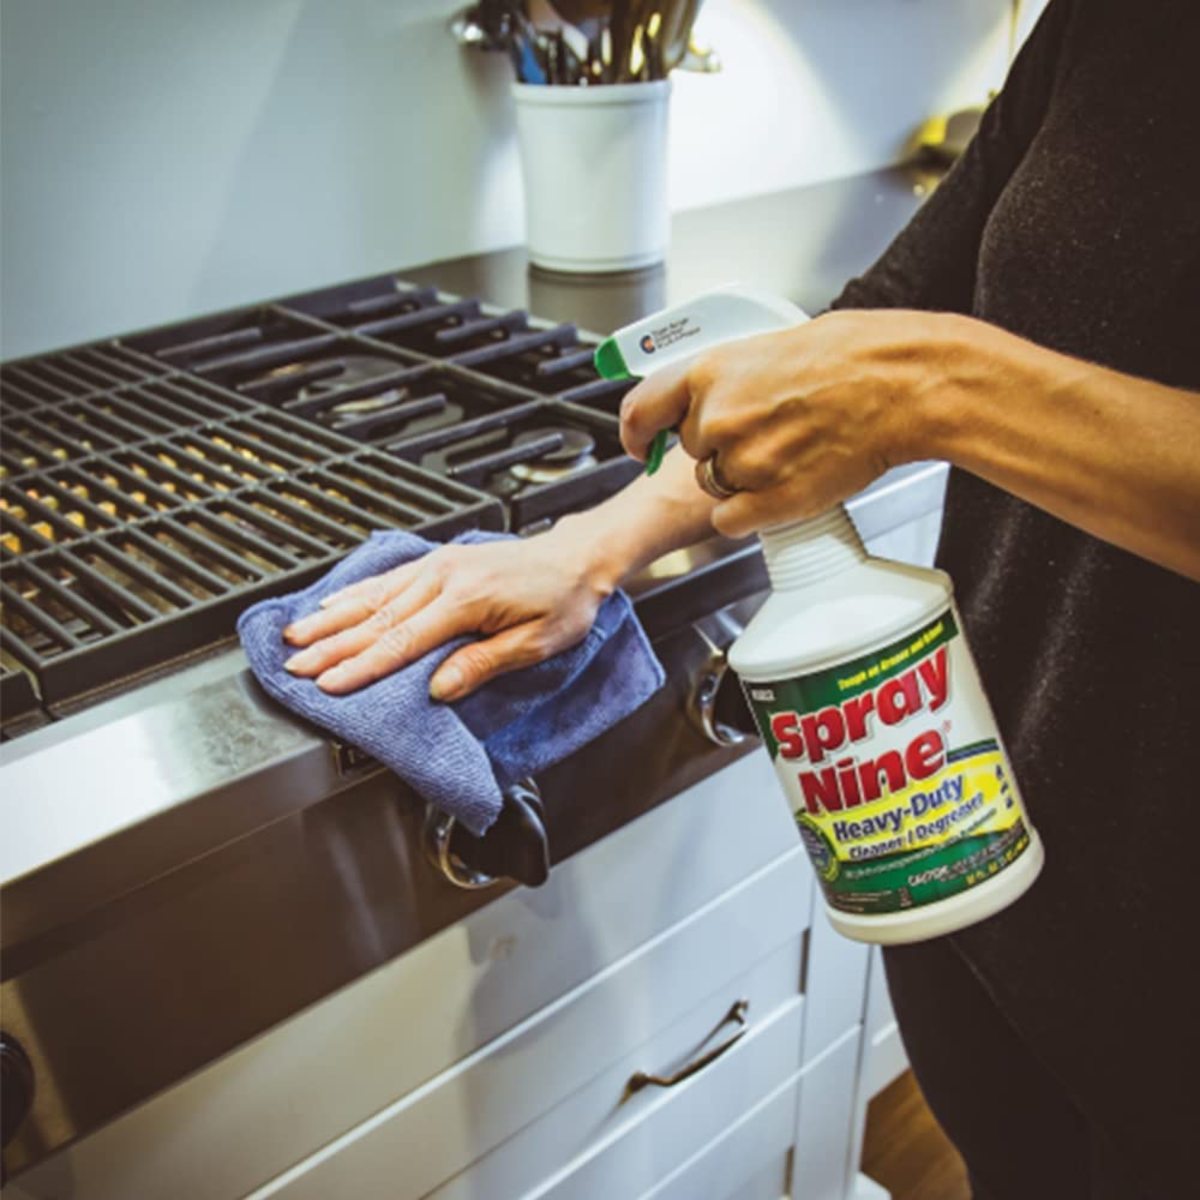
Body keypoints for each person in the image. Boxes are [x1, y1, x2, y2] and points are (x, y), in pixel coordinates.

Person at [282, 2, 1199, 1195]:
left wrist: (938, 386)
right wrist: (590, 545)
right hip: (976, 845)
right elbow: (897, 306)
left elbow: (912, 358)